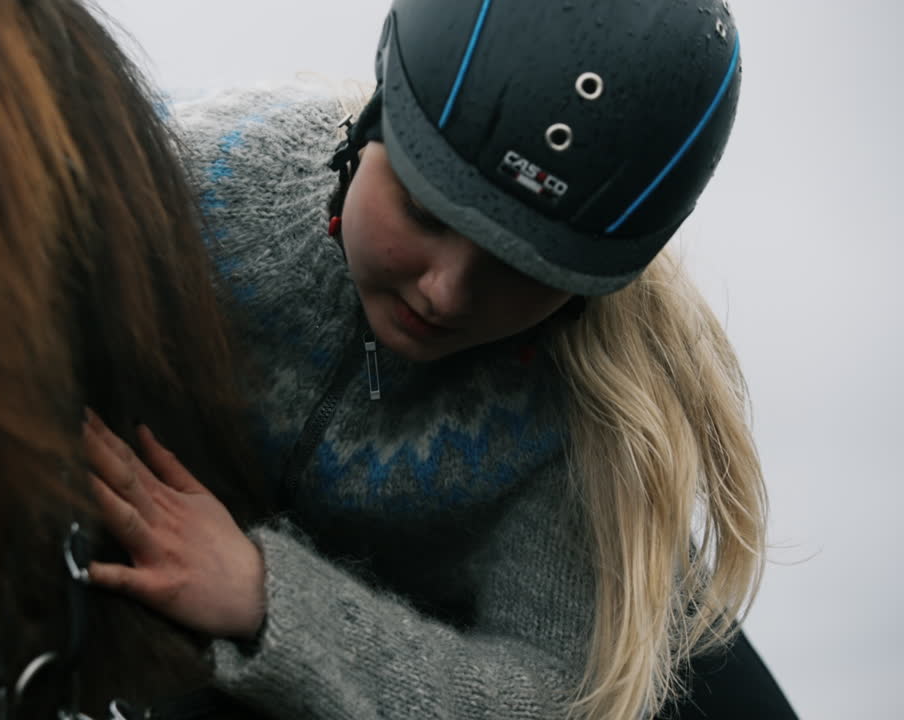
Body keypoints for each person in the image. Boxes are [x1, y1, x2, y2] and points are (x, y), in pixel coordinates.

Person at [81, 1, 796, 717]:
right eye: (426, 212)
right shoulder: (189, 189)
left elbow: (560, 698)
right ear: (367, 132)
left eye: (523, 267)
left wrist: (263, 597)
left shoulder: (589, 426)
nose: (445, 294)